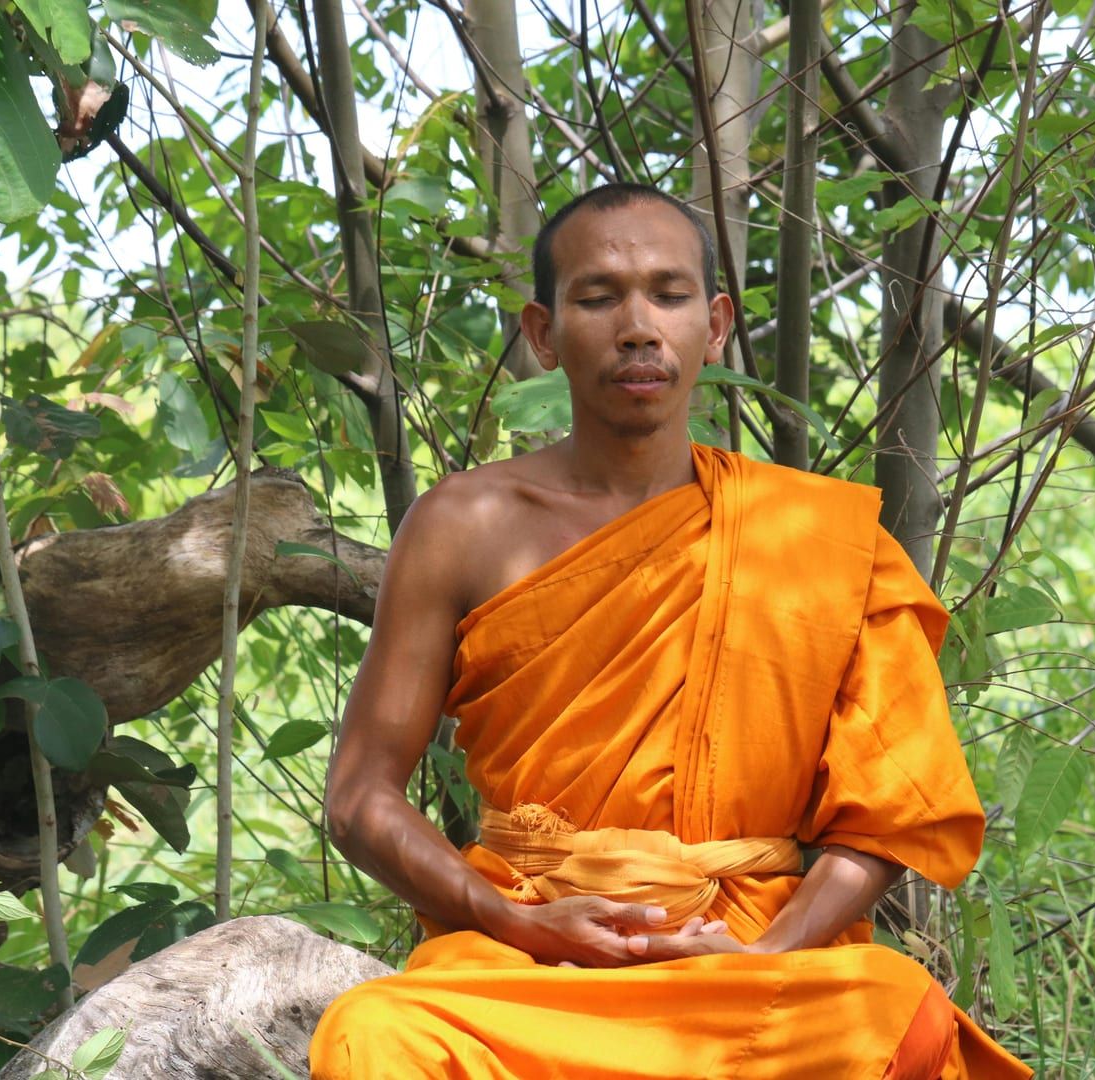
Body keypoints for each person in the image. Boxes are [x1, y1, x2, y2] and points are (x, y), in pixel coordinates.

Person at [308, 183, 1031, 1079]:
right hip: (531, 963)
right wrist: (515, 921)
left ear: (716, 324)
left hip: (744, 954)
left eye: (669, 294)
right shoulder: (465, 523)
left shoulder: (811, 535)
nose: (639, 326)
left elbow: (883, 822)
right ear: (542, 332)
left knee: (890, 1009)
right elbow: (360, 798)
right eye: (600, 297)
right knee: (374, 1032)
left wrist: (766, 957)